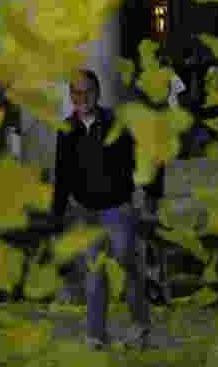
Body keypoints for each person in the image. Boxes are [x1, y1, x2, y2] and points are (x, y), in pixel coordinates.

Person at [52, 69, 150, 349]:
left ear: (98, 93)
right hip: (86, 211)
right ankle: (96, 334)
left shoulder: (116, 123)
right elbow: (62, 174)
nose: (82, 98)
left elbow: (137, 159)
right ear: (71, 96)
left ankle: (140, 325)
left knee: (127, 266)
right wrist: (57, 214)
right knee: (93, 274)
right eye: (76, 93)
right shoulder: (66, 129)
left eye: (87, 92)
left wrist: (141, 198)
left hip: (117, 209)